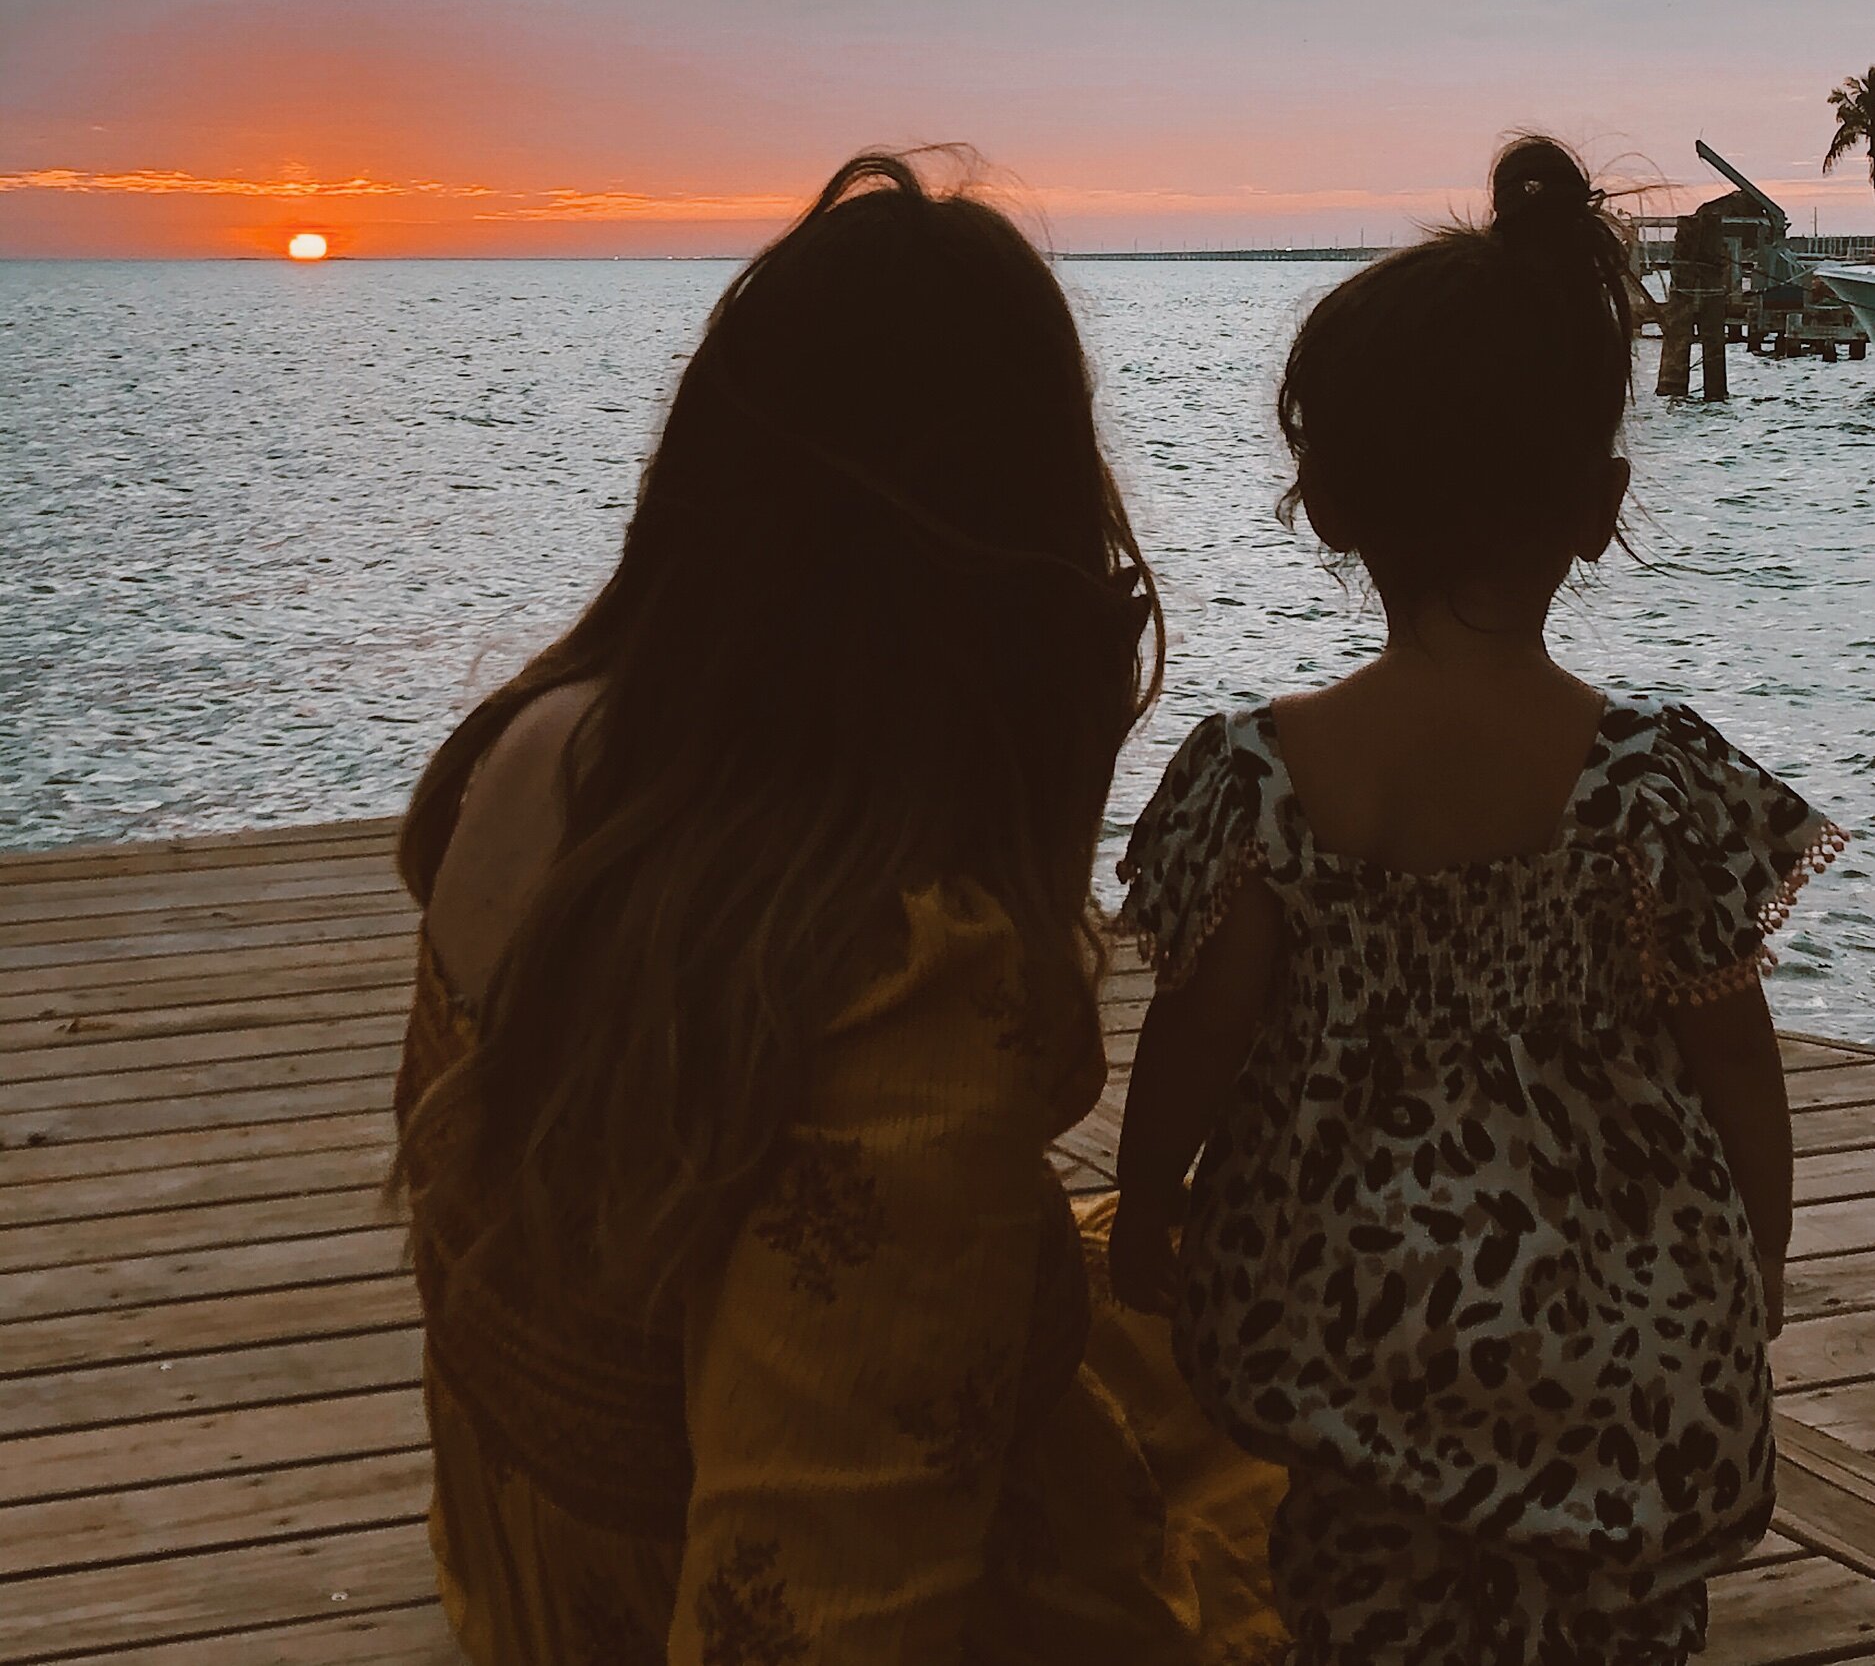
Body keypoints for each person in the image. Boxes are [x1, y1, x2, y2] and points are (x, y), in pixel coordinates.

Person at [392, 153, 1286, 1665]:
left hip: (533, 1583)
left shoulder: (538, 750)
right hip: (695, 1600)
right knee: (1332, 1428)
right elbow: (814, 1609)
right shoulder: (899, 965)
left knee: (1169, 1294)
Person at [1108, 135, 1849, 1666]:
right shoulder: (1655, 789)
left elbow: (1196, 1039)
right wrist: (1753, 1258)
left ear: (1324, 504)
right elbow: (1734, 1063)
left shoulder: (1261, 785)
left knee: (1359, 1607)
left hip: (1347, 1343)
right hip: (1622, 1358)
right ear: (1599, 505)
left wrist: (1149, 1213)